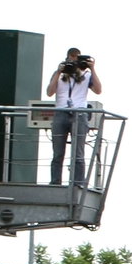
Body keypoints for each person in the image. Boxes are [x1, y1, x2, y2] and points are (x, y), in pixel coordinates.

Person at [45, 47, 102, 186]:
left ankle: (78, 183)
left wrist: (92, 68)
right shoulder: (59, 74)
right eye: (70, 59)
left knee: (78, 154)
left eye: (76, 60)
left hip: (79, 113)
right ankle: (55, 182)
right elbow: (50, 92)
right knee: (58, 153)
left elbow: (98, 90)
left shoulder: (86, 75)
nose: (73, 63)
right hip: (61, 112)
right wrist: (59, 71)